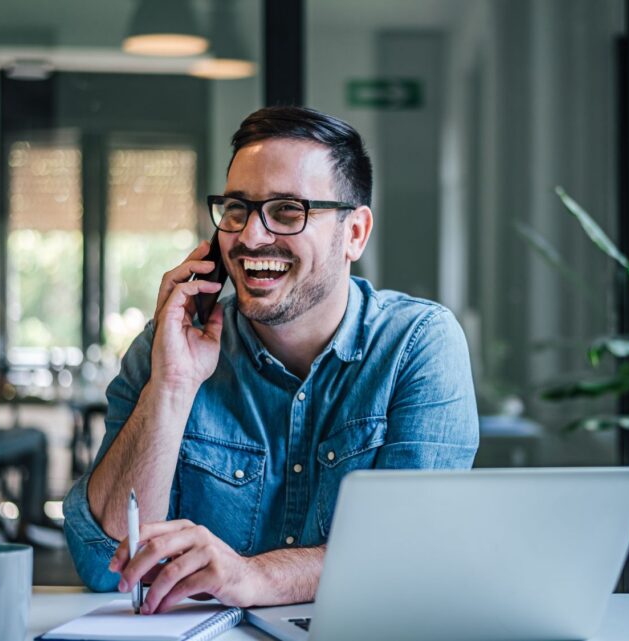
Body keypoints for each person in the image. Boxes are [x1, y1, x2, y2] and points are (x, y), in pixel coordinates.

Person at [62, 106, 479, 612]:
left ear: (355, 234)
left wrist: (255, 577)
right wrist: (171, 386)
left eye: (287, 210)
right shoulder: (170, 345)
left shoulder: (417, 345)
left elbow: (410, 554)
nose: (251, 237)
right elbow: (104, 567)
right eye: (237, 208)